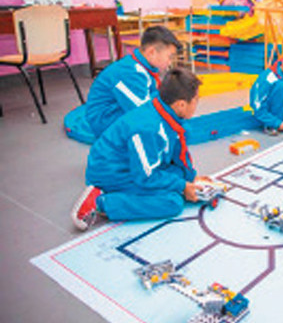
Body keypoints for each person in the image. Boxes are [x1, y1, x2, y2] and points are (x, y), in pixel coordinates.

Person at [72, 68, 203, 230]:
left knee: (180, 175)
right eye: (196, 100)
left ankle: (119, 195)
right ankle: (101, 202)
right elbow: (145, 177)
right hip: (111, 172)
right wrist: (182, 186)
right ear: (181, 104)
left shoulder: (166, 109)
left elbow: (178, 150)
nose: (197, 104)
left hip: (131, 164)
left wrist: (191, 178)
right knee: (172, 203)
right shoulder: (148, 128)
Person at [85, 26, 181, 137]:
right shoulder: (130, 72)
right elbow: (142, 112)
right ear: (152, 52)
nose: (170, 62)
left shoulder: (143, 65)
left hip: (116, 108)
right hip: (104, 121)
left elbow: (154, 94)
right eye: (169, 57)